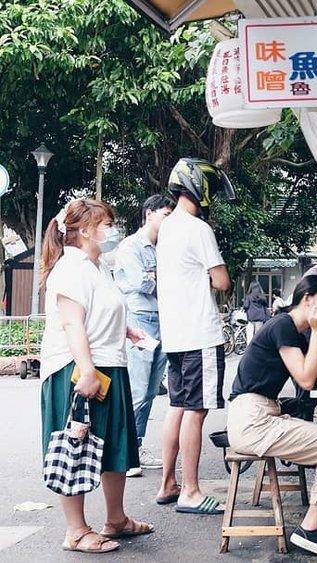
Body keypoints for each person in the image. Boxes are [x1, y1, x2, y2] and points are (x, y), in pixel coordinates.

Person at [39, 199, 154, 553]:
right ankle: (76, 530)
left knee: (114, 443)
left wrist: (127, 331)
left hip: (109, 364)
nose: (112, 229)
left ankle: (115, 519)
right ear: (85, 230)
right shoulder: (70, 268)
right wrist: (86, 371)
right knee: (75, 446)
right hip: (77, 369)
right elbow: (72, 322)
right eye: (106, 223)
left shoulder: (97, 266)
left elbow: (99, 314)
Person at [228, 275, 317, 558]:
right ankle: (309, 529)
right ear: (307, 299)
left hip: (262, 414)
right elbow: (307, 382)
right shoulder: (283, 325)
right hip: (252, 420)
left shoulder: (294, 333)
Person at [155, 157, 235, 514]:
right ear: (198, 187)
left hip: (174, 335)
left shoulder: (167, 227)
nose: (213, 198)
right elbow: (222, 281)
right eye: (212, 190)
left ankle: (168, 482)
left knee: (177, 407)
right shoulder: (198, 228)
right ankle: (190, 490)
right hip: (199, 335)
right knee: (196, 411)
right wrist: (211, 276)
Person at [113, 194, 174, 478]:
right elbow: (140, 282)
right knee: (137, 389)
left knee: (151, 390)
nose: (169, 220)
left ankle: (135, 448)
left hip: (163, 320)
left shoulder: (164, 247)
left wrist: (155, 277)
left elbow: (160, 281)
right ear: (149, 213)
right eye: (165, 214)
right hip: (140, 320)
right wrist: (157, 278)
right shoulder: (131, 246)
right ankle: (124, 454)